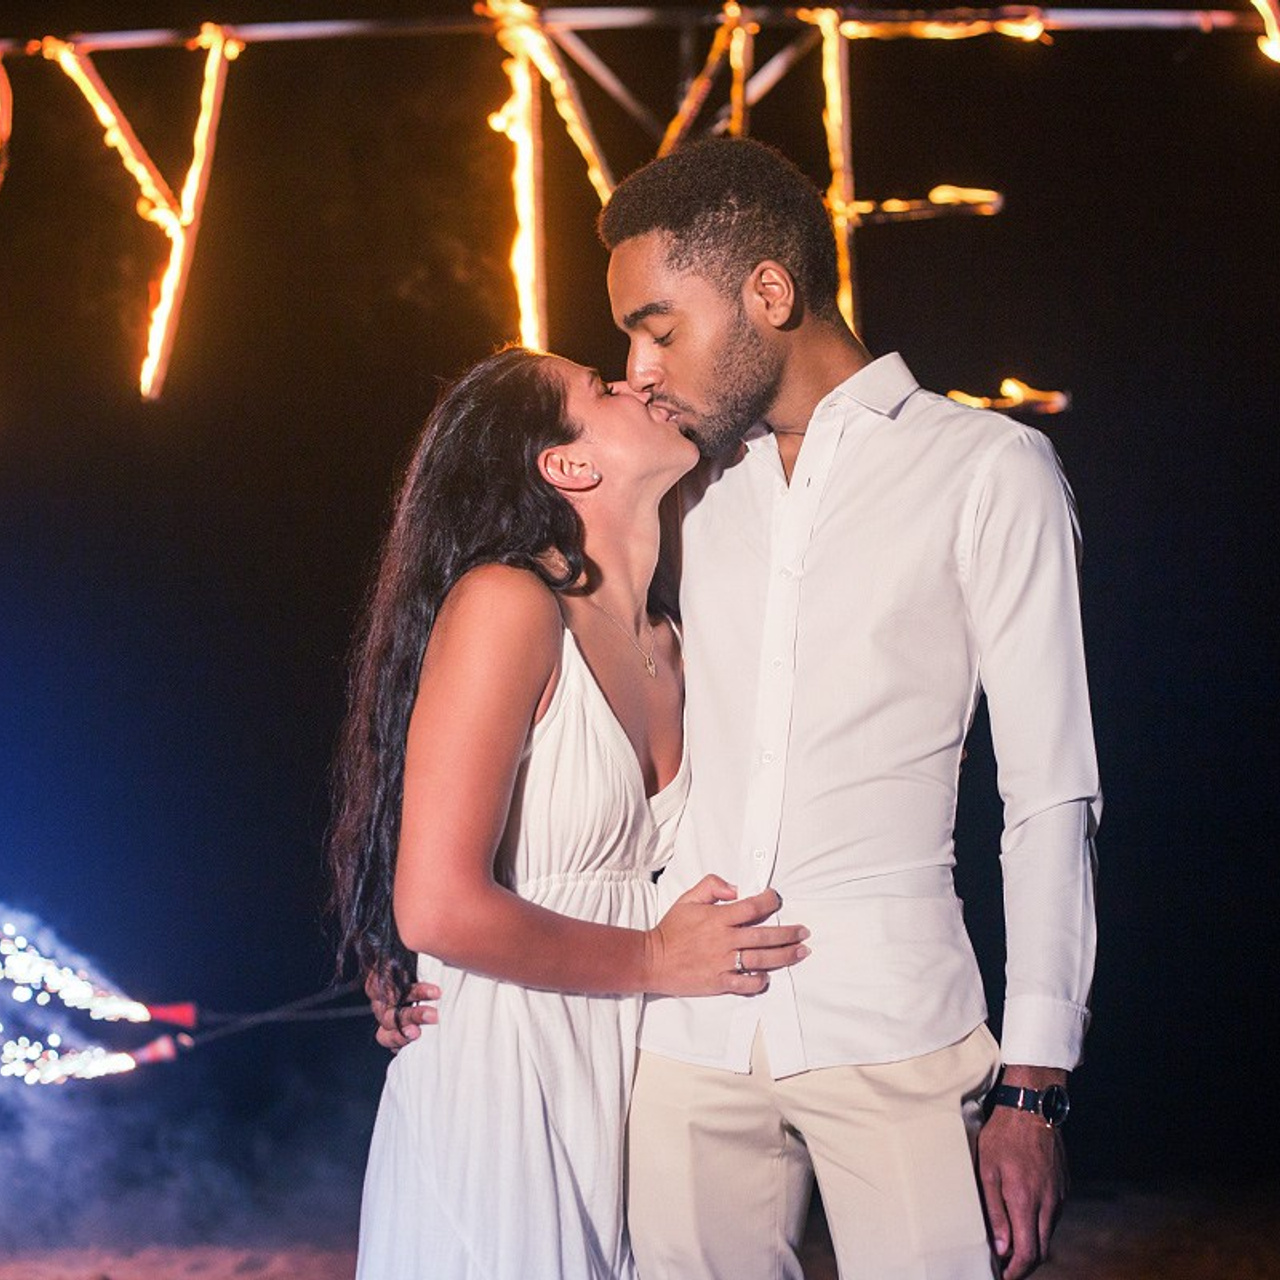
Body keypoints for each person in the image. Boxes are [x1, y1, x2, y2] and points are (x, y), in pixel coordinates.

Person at [379, 138, 1100, 1280]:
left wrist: (1034, 1078)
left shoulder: (986, 469)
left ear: (769, 291)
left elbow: (1049, 790)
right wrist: (420, 956)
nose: (639, 366)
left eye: (657, 327)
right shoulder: (687, 493)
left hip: (896, 1024)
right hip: (677, 1049)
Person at [328, 344, 811, 1280]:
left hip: (638, 1070)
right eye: (602, 387)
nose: (638, 381)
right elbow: (434, 906)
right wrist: (654, 959)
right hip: (510, 1071)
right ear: (568, 466)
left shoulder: (678, 637)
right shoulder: (508, 605)